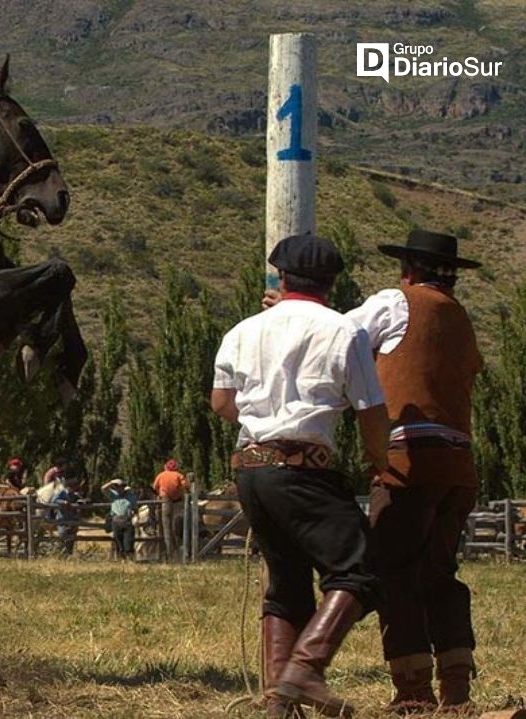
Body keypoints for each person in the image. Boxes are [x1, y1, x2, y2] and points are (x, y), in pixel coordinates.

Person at [211, 234, 389, 718]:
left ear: (281, 278)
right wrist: (380, 459)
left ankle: (278, 703)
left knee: (286, 583)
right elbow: (371, 410)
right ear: (333, 282)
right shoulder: (343, 332)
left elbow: (222, 404)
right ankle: (306, 669)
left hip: (251, 470)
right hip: (301, 468)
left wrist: (264, 418)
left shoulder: (242, 331)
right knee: (359, 570)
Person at [345, 230, 485, 711]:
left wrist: (291, 314)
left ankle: (413, 689)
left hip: (409, 462)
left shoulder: (394, 303)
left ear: (409, 269)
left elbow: (338, 339)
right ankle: (457, 686)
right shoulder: (459, 318)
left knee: (394, 572)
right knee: (440, 572)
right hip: (458, 466)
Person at [152, 458, 189, 561]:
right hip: (177, 501)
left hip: (165, 500)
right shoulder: (179, 475)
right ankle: (178, 552)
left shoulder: (161, 475)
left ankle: (169, 552)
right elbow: (186, 486)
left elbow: (154, 487)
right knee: (176, 526)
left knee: (166, 527)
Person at [101, 479, 138, 560]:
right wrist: (111, 483)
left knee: (128, 541)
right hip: (116, 520)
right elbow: (103, 488)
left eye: (120, 487)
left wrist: (133, 515)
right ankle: (121, 559)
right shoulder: (113, 495)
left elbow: (135, 508)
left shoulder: (130, 496)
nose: (118, 489)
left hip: (127, 520)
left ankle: (129, 559)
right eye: (116, 487)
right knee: (119, 542)